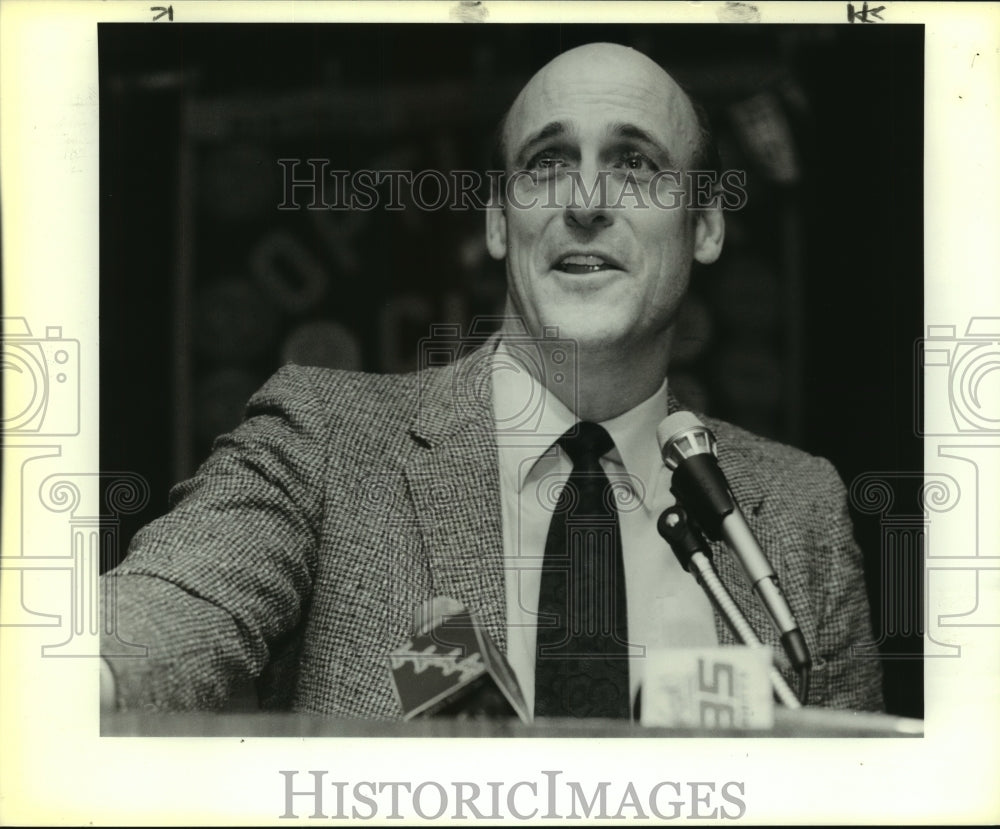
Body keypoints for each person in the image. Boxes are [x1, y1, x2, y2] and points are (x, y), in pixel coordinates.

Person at [100, 42, 883, 717]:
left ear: (704, 224)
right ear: (499, 222)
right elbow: (173, 607)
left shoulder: (800, 511)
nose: (585, 202)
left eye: (635, 164)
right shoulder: (324, 442)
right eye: (548, 164)